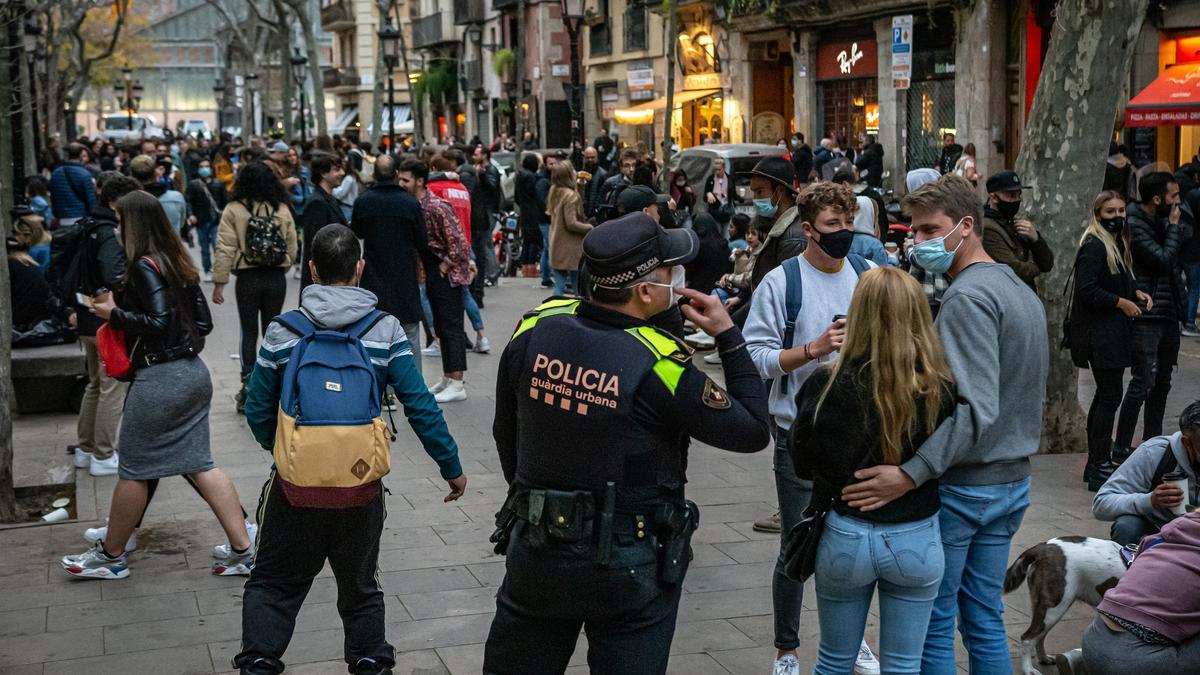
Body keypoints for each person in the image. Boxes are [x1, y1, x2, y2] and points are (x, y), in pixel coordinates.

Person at [483, 212, 771, 674]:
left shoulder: (535, 326)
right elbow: (754, 429)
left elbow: (505, 432)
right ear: (644, 291)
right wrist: (730, 337)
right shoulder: (662, 365)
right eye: (670, 273)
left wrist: (533, 497)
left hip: (537, 549)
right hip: (628, 563)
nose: (679, 280)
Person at [841, 175, 1049, 675]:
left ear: (967, 225)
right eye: (915, 230)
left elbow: (974, 408)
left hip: (967, 487)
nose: (919, 240)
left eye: (930, 229)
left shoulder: (968, 298)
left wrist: (911, 472)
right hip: (1010, 482)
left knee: (936, 621)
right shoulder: (1017, 289)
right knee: (983, 617)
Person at [235, 224, 465, 675]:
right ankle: (369, 663)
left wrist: (286, 450)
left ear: (313, 270)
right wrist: (451, 467)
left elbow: (257, 407)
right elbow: (419, 403)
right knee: (361, 588)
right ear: (359, 269)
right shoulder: (386, 330)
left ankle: (260, 662)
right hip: (360, 486)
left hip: (293, 487)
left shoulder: (284, 331)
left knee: (273, 584)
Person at [61, 190, 254, 579]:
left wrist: (114, 314)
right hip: (191, 373)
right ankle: (244, 550)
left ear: (133, 225)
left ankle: (111, 556)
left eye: (120, 223)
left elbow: (159, 322)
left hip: (161, 379)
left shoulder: (144, 267)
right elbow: (203, 324)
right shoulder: (175, 261)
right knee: (199, 464)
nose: (116, 230)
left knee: (134, 468)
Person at [743, 180, 880, 675]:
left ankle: (852, 640)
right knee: (799, 543)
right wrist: (813, 350)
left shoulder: (868, 274)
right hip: (798, 434)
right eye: (832, 226)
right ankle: (787, 649)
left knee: (852, 543)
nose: (844, 233)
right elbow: (754, 357)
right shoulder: (782, 283)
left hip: (860, 434)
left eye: (849, 224)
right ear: (807, 230)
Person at [794, 267, 955, 674]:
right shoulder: (941, 388)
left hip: (846, 535)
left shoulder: (825, 385)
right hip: (916, 536)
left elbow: (801, 462)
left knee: (833, 661)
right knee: (903, 665)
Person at [1068, 192, 1155, 491]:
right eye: (1110, 211)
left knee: (1105, 397)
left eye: (1120, 210)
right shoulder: (1094, 245)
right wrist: (1121, 303)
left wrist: (1135, 293)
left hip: (1110, 334)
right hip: (1100, 335)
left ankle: (1097, 463)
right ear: (1098, 214)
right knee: (1109, 398)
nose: (1117, 216)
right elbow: (1087, 290)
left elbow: (1113, 279)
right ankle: (1100, 465)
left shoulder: (1113, 242)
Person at [67, 174, 142, 477]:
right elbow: (112, 275)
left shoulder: (89, 225)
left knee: (96, 385)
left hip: (86, 316)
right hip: (103, 319)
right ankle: (103, 453)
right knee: (112, 387)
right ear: (115, 202)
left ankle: (86, 449)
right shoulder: (110, 233)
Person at [211, 162, 299, 414]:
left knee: (248, 332)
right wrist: (284, 266)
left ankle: (248, 386)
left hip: (247, 279)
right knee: (273, 331)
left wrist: (220, 281)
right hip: (274, 277)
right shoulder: (281, 208)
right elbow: (292, 244)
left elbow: (225, 246)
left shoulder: (234, 209)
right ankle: (272, 384)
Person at [1113, 172, 1186, 460]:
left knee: (1163, 381)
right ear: (1157, 199)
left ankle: (1152, 444)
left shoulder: (1162, 222)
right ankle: (1121, 447)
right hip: (1147, 315)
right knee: (1143, 381)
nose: (1178, 202)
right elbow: (1162, 259)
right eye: (1174, 196)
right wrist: (1174, 229)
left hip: (1168, 313)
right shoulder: (1137, 224)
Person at [397, 158, 472, 403]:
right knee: (441, 325)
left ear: (419, 181)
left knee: (451, 327)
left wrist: (445, 264)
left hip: (447, 275)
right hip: (434, 272)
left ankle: (458, 381)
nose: (401, 183)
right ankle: (449, 376)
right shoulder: (416, 206)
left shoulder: (437, 207)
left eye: (405, 179)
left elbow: (459, 243)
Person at [349, 155, 428, 379]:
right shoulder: (410, 203)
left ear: (374, 174)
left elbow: (358, 232)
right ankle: (413, 384)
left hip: (374, 274)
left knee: (374, 332)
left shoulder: (363, 201)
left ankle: (382, 389)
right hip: (404, 274)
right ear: (395, 175)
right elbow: (422, 241)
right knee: (410, 331)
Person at [1093, 401, 1200, 546]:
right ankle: (1134, 566)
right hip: (1158, 533)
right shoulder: (1155, 452)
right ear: (1186, 443)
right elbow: (1102, 503)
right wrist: (1150, 501)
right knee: (1127, 526)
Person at [980, 170, 1054, 291]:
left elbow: (1047, 263)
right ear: (993, 197)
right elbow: (1015, 270)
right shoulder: (988, 228)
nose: (1017, 200)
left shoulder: (1016, 223)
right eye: (1011, 195)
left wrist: (1036, 239)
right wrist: (1036, 266)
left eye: (1018, 195)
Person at [298, 154, 348, 291]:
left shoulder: (326, 199)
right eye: (336, 169)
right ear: (323, 173)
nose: (342, 173)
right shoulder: (317, 203)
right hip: (325, 280)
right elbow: (316, 245)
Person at [546, 161, 592, 296]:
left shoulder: (555, 191)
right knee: (577, 287)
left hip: (557, 245)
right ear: (567, 175)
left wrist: (580, 187)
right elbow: (571, 223)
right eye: (572, 170)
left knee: (559, 285)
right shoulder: (570, 196)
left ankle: (554, 312)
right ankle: (577, 314)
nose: (575, 171)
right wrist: (589, 227)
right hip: (571, 249)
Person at [185, 159, 228, 282]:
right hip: (201, 221)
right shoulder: (193, 185)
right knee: (204, 248)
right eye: (201, 166)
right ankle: (207, 270)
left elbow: (225, 202)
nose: (204, 168)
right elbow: (188, 201)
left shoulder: (219, 184)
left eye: (207, 166)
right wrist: (190, 214)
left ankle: (219, 271)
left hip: (216, 221)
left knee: (217, 246)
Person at [130, 154, 188, 235]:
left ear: (132, 175)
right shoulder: (176, 198)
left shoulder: (127, 201)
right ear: (155, 173)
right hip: (171, 245)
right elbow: (181, 223)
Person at [684, 212, 732, 296]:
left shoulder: (695, 247)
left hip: (698, 291)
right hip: (720, 289)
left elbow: (689, 271)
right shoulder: (723, 244)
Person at [49, 143, 96, 226]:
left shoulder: (56, 173)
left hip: (62, 217)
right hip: (81, 216)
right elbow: (91, 200)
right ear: (80, 155)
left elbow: (53, 196)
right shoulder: (85, 174)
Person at [515, 153, 545, 278]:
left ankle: (525, 267)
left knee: (527, 240)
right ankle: (532, 267)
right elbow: (538, 195)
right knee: (534, 240)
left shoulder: (519, 177)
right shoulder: (534, 178)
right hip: (534, 211)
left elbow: (516, 197)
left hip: (524, 210)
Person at [579, 145, 609, 220]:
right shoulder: (581, 173)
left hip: (596, 215)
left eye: (592, 157)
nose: (590, 160)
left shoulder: (603, 174)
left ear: (596, 157)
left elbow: (602, 197)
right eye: (587, 157)